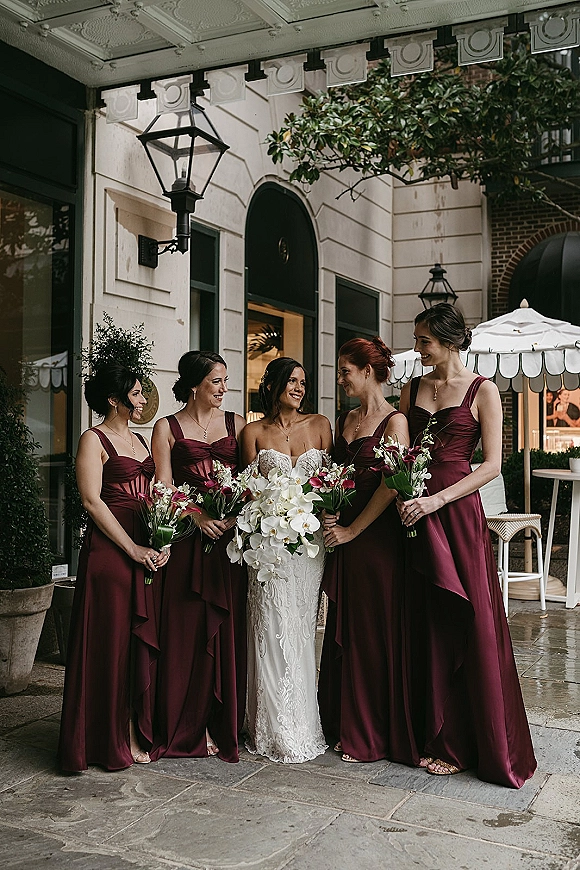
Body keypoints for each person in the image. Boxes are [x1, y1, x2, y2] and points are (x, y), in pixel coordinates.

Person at [398, 303, 536, 788]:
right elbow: (402, 449)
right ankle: (426, 732)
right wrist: (406, 488)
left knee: (467, 619)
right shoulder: (412, 389)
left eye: (424, 342)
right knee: (424, 618)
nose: (418, 350)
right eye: (416, 341)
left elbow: (492, 466)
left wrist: (436, 499)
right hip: (413, 511)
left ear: (449, 341)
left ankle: (463, 740)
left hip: (454, 513)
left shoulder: (484, 391)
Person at [59, 363, 168, 772]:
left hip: (144, 547)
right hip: (111, 552)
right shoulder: (93, 439)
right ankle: (108, 738)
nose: (143, 401)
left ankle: (133, 727)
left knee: (135, 643)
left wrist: (162, 540)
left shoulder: (140, 439)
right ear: (114, 400)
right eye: (138, 394)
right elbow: (92, 501)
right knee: (109, 643)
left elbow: (158, 493)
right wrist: (133, 549)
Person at [318, 337, 418, 765]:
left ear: (369, 371)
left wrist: (353, 529)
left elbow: (390, 484)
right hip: (341, 535)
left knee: (373, 632)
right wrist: (328, 515)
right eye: (339, 371)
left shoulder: (395, 422)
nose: (340, 378)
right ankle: (342, 723)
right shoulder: (345, 418)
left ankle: (371, 732)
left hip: (374, 538)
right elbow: (332, 476)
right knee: (346, 627)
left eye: (345, 371)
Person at [150, 351, 247, 762]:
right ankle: (182, 725)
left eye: (225, 381)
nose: (225, 389)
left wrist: (236, 513)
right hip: (189, 543)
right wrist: (199, 515)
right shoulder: (165, 428)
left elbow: (250, 480)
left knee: (225, 632)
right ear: (194, 386)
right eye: (217, 382)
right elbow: (163, 487)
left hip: (229, 545)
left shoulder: (237, 426)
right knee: (186, 636)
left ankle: (218, 723)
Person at [240, 357, 332, 763]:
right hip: (268, 547)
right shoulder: (252, 432)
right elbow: (245, 493)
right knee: (270, 625)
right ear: (274, 385)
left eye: (303, 382)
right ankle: (273, 726)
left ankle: (304, 721)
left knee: (300, 627)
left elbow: (332, 486)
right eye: (292, 381)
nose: (299, 388)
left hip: (310, 547)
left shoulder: (320, 425)